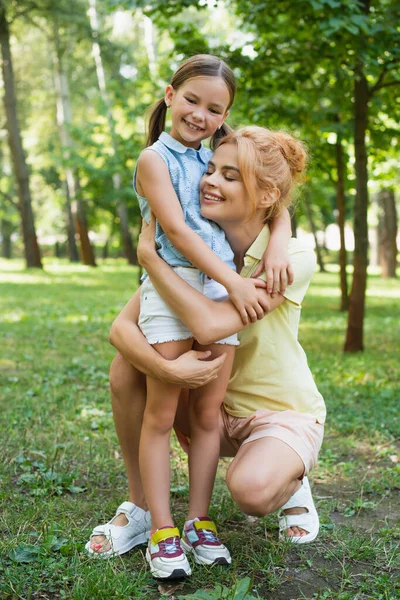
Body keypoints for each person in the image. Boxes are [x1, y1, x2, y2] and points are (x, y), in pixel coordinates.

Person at [86, 125, 326, 578]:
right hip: (209, 405)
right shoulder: (195, 250)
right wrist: (165, 368)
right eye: (211, 169)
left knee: (252, 491)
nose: (209, 181)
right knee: (128, 368)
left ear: (267, 194)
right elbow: (121, 329)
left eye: (230, 176)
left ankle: (291, 480)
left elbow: (210, 324)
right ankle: (139, 507)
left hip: (276, 412)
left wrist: (152, 260)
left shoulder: (289, 259)